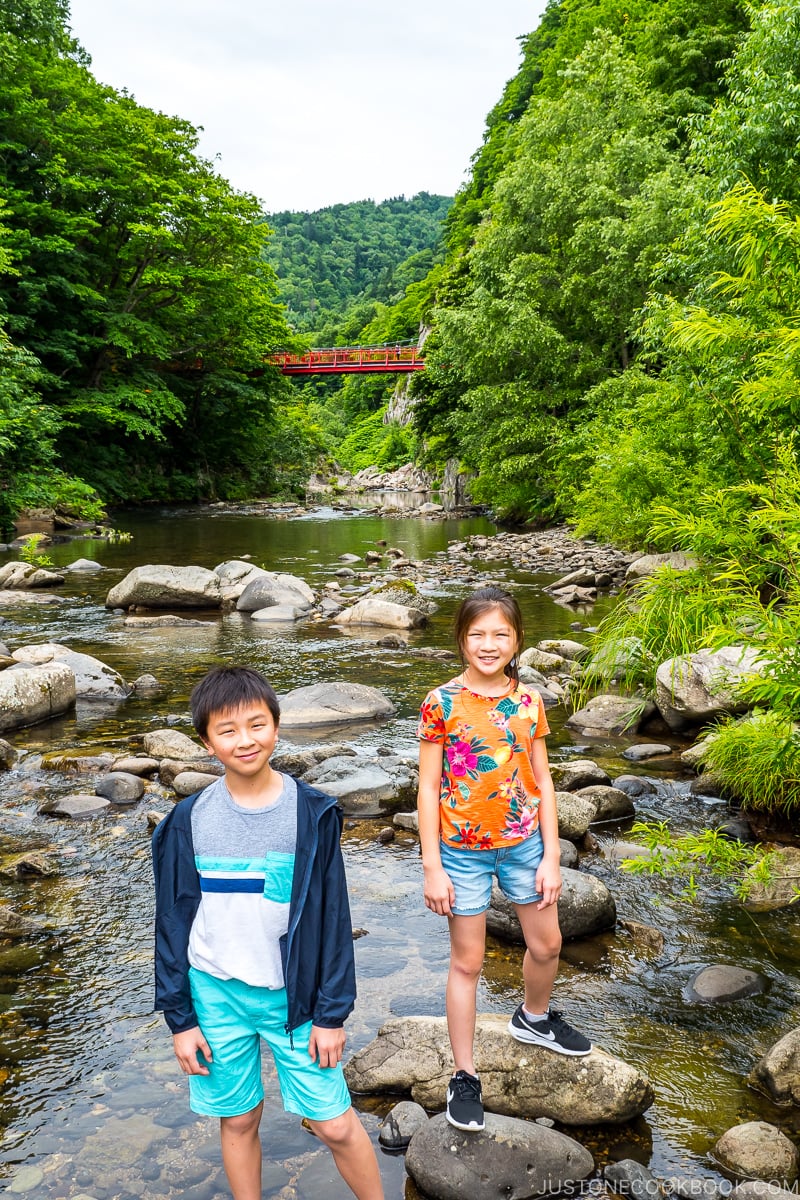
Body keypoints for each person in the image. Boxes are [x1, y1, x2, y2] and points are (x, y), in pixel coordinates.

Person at [152, 666, 384, 1200]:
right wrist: (180, 1020)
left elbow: (331, 918)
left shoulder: (313, 814)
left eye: (256, 725)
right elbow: (171, 924)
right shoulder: (186, 822)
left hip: (295, 997)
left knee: (333, 1122)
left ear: (277, 728)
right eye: (227, 730)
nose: (245, 740)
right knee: (237, 1120)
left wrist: (331, 1014)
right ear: (207, 743)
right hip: (214, 993)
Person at [416, 586, 591, 1133]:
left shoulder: (529, 700)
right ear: (461, 640)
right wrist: (431, 866)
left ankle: (532, 1018)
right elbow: (425, 789)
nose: (488, 645)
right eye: (477, 634)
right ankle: (464, 1076)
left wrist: (552, 859)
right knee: (467, 962)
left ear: (517, 640)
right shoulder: (439, 703)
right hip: (460, 851)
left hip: (524, 845)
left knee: (548, 944)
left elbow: (543, 780)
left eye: (500, 634)